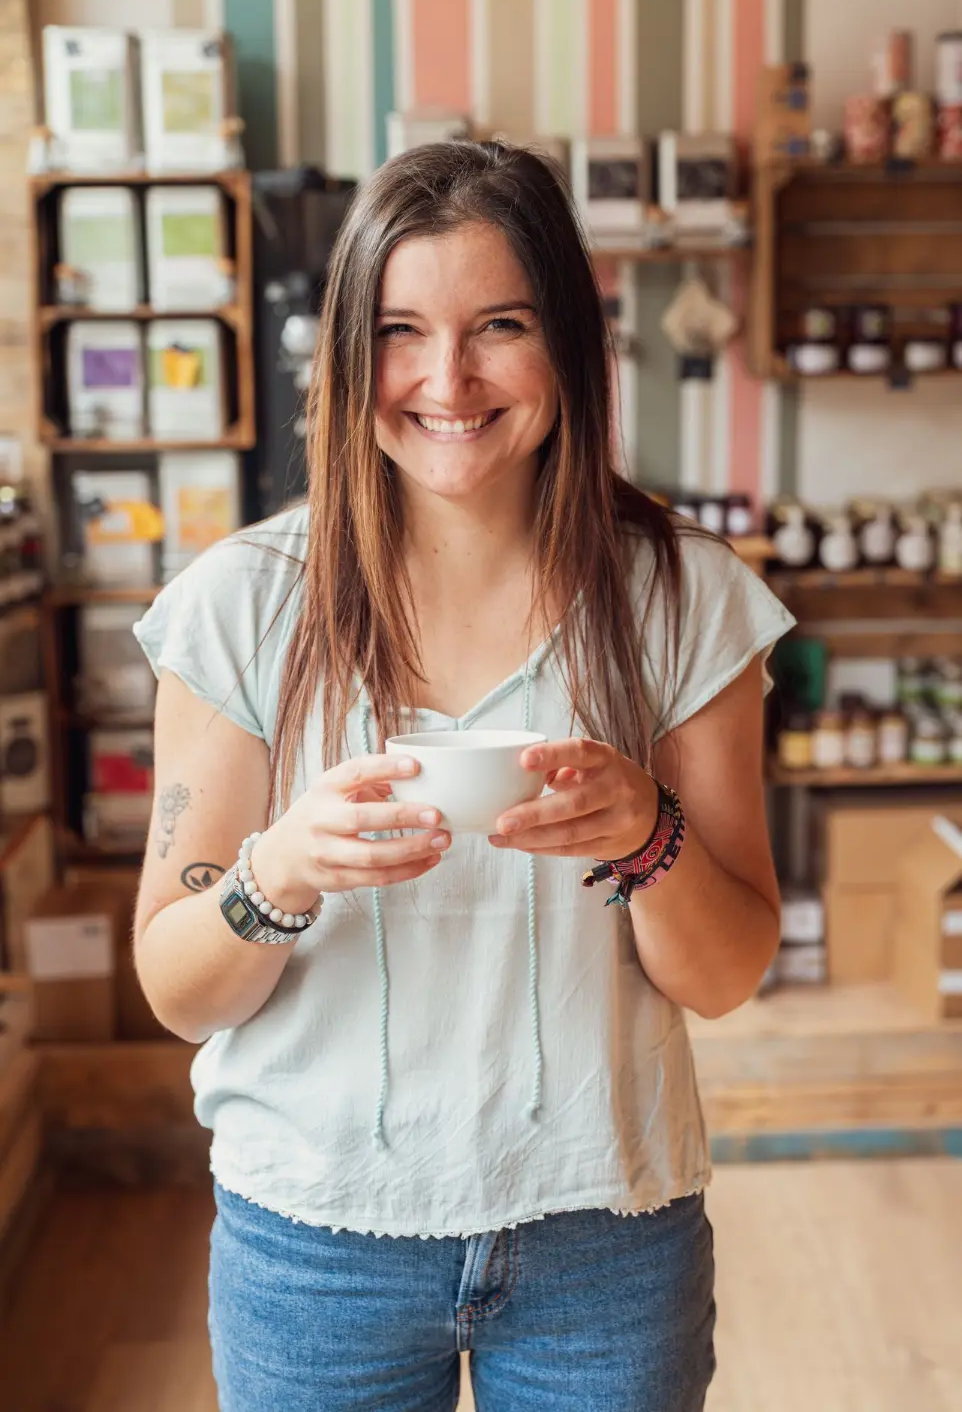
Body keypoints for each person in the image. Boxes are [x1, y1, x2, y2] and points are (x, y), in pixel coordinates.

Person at [133, 140, 795, 1412]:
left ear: (570, 348)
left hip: (605, 1236)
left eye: (500, 324)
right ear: (343, 354)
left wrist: (645, 833)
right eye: (398, 330)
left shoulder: (683, 599)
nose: (446, 379)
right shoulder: (240, 607)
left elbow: (725, 975)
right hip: (313, 1240)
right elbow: (176, 990)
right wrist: (280, 868)